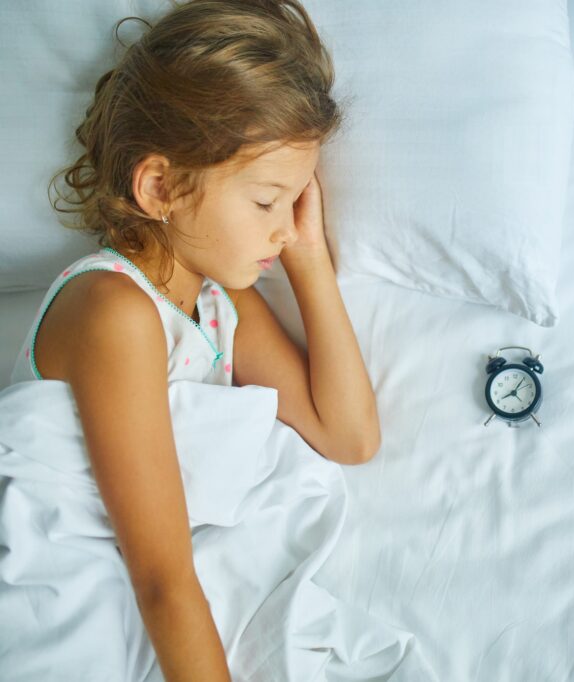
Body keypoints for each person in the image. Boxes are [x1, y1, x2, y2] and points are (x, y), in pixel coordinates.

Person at [7, 1, 380, 679]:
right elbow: (162, 578)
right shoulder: (114, 310)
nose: (283, 227)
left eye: (295, 201)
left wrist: (308, 260)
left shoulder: (219, 306)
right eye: (266, 201)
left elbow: (348, 437)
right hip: (68, 593)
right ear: (161, 187)